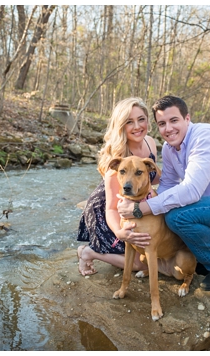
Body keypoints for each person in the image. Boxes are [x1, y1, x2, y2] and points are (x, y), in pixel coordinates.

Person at [117, 95, 210, 291]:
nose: (168, 128)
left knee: (177, 216)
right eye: (162, 123)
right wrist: (146, 205)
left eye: (174, 120)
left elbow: (192, 190)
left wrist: (139, 209)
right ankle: (204, 257)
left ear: (187, 119)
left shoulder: (205, 137)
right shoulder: (170, 149)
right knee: (170, 214)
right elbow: (168, 184)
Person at [76, 97, 158, 275]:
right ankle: (88, 252)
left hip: (134, 202)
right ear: (121, 125)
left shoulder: (150, 143)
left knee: (153, 251)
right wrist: (120, 232)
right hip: (107, 208)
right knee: (140, 263)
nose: (137, 126)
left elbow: (152, 179)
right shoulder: (119, 155)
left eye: (141, 119)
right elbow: (111, 208)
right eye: (129, 122)